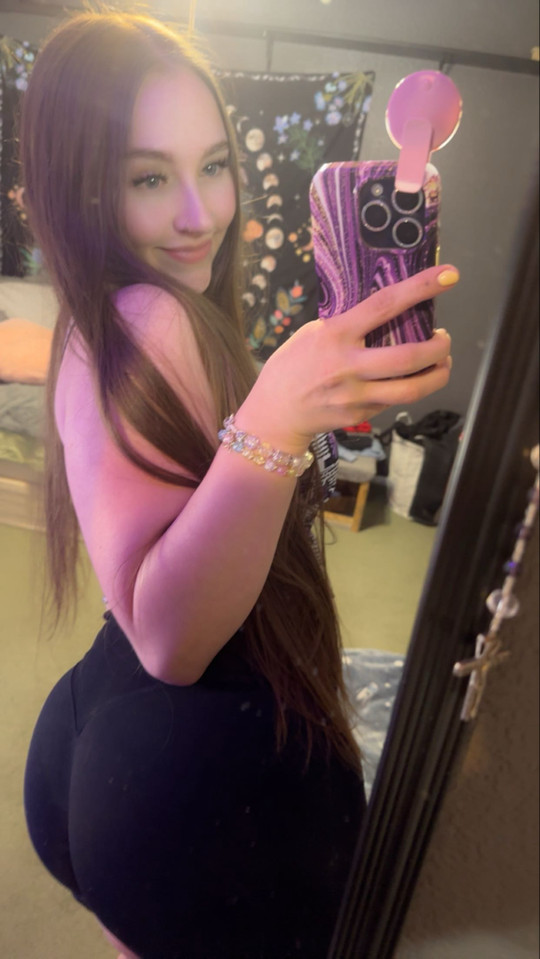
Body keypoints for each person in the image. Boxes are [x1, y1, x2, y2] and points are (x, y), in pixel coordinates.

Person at [20, 10, 456, 959]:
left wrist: (296, 419)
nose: (200, 213)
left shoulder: (105, 317)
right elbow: (170, 637)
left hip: (107, 747)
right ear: (80, 185)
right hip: (192, 793)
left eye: (214, 165)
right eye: (148, 177)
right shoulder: (152, 318)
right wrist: (277, 419)